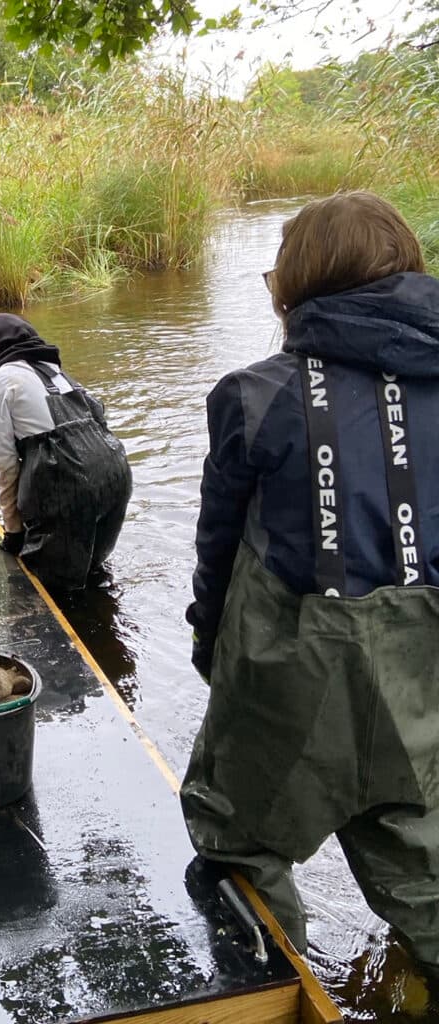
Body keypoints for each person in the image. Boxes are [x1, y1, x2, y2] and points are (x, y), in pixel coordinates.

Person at [181, 192, 439, 970]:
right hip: (423, 682)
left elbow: (218, 545)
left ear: (297, 288)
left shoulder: (254, 395)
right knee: (423, 873)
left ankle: (279, 986)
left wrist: (208, 644)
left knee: (238, 840)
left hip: (291, 669)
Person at [0, 313, 132, 591]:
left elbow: (4, 461)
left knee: (52, 589)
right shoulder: (54, 371)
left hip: (66, 480)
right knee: (94, 575)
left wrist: (13, 532)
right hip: (116, 472)